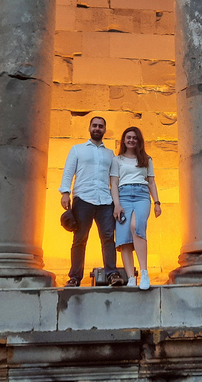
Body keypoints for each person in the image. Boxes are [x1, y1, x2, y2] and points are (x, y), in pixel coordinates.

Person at [59, 116, 125, 288]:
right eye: (94, 125)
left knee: (108, 238)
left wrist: (117, 202)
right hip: (83, 198)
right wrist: (65, 193)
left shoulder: (110, 154)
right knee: (80, 238)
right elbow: (68, 172)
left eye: (101, 126)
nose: (97, 128)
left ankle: (112, 274)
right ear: (89, 128)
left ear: (104, 130)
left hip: (105, 200)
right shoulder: (77, 149)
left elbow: (114, 180)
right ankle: (75, 277)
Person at [110, 126, 162, 290]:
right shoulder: (117, 160)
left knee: (137, 226)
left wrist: (157, 202)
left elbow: (152, 182)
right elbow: (114, 183)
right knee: (124, 237)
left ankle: (144, 272)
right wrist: (116, 204)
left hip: (141, 194)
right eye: (128, 137)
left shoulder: (146, 159)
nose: (131, 140)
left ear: (139, 141)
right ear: (124, 140)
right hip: (123, 195)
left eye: (135, 138)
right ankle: (131, 277)